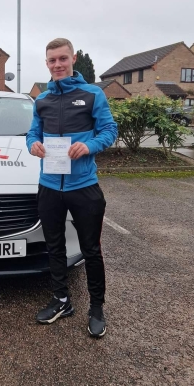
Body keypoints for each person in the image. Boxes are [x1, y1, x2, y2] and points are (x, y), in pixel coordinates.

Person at [26, 38, 118, 338]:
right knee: (54, 248)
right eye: (52, 60)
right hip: (50, 186)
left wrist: (88, 145)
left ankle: (96, 308)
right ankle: (62, 301)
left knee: (91, 250)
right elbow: (32, 133)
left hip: (84, 186)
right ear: (47, 63)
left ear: (73, 58)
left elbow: (109, 131)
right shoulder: (41, 100)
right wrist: (34, 146)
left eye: (62, 58)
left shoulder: (92, 94)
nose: (58, 65)